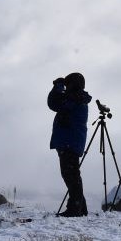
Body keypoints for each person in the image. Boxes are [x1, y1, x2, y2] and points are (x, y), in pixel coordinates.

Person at [48, 72, 91, 217]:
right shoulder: (77, 98)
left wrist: (58, 86)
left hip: (69, 142)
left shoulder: (75, 98)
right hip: (71, 141)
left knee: (70, 175)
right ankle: (80, 208)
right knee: (72, 175)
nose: (66, 87)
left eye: (68, 84)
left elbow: (54, 103)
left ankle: (75, 209)